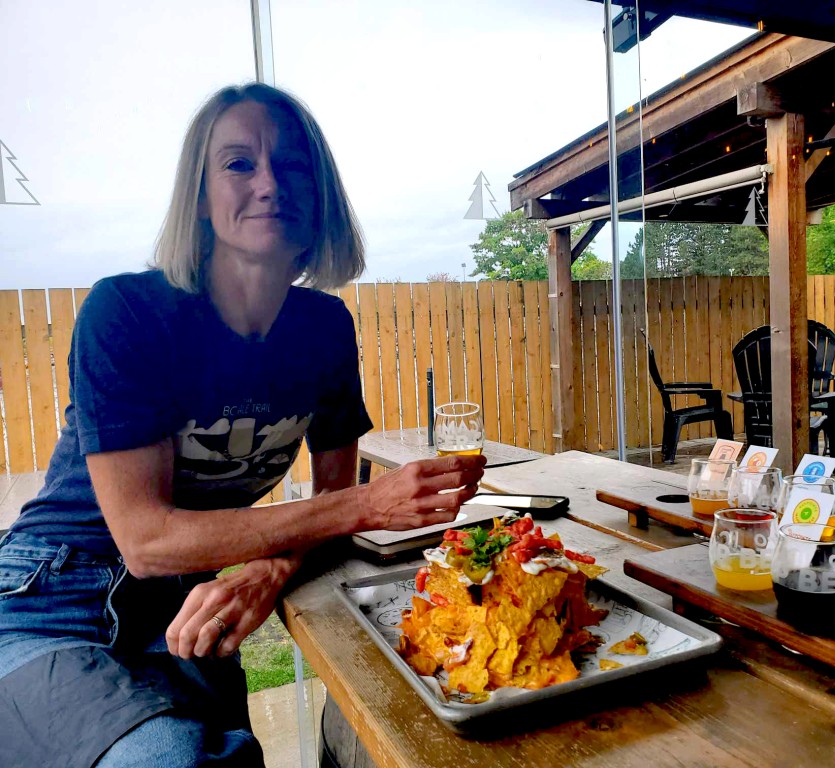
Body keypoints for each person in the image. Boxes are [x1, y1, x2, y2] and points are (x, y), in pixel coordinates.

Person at [0, 82, 485, 768]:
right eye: (237, 163)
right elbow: (147, 540)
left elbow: (327, 509)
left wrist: (269, 568)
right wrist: (370, 503)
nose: (268, 184)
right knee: (170, 757)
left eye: (291, 166)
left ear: (318, 195)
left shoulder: (323, 329)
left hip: (184, 605)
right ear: (199, 196)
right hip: (48, 595)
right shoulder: (130, 314)